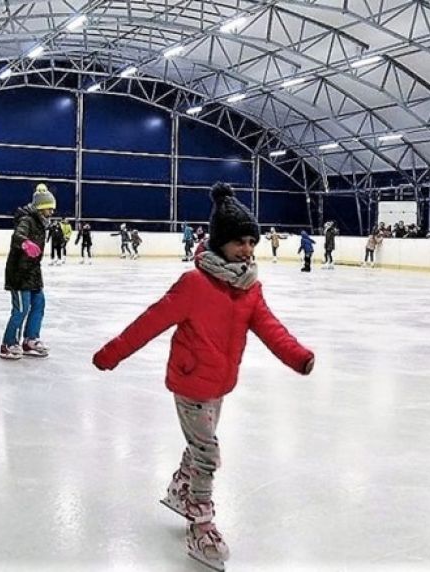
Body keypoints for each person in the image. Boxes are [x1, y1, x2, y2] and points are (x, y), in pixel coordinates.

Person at [91, 182, 315, 571]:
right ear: (218, 243)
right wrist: (112, 354)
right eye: (238, 242)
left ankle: (181, 487)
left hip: (221, 384)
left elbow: (270, 327)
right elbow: (150, 321)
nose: (246, 250)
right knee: (208, 454)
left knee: (199, 444)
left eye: (251, 241)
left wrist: (298, 357)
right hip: (191, 382)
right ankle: (201, 521)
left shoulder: (250, 288)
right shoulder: (194, 283)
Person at [0, 186, 55, 360]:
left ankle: (30, 340)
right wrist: (25, 243)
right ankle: (8, 344)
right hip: (19, 273)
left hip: (33, 272)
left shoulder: (41, 223)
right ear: (40, 208)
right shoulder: (27, 220)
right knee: (21, 310)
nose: (52, 212)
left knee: (39, 305)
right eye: (49, 208)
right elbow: (18, 236)